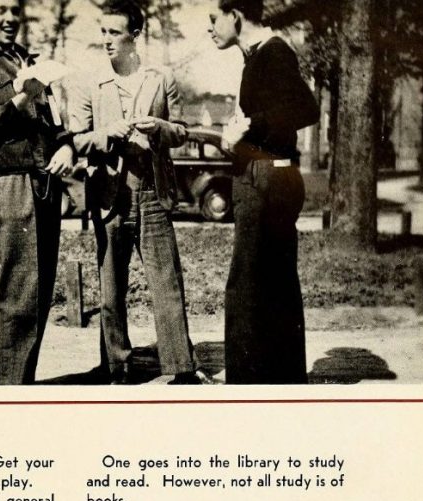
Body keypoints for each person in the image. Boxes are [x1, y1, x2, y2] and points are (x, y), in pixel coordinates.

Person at [68, 0, 211, 385]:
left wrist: (159, 127)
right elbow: (77, 140)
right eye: (103, 32)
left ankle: (181, 366)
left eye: (115, 32)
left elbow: (182, 131)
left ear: (135, 34)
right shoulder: (90, 83)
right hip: (110, 194)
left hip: (152, 191)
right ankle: (117, 366)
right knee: (110, 284)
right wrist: (108, 134)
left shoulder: (161, 80)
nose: (107, 40)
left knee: (167, 280)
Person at [0, 0, 75, 385]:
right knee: (20, 293)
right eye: (0, 10)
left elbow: (54, 119)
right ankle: (8, 394)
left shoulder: (32, 62)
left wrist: (67, 145)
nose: (8, 19)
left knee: (39, 294)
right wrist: (20, 99)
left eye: (14, 11)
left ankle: (18, 384)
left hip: (46, 181)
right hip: (12, 181)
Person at [207, 0, 319, 384]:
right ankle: (281, 383)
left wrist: (248, 127)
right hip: (270, 177)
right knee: (274, 284)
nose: (210, 28)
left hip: (267, 180)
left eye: (213, 19)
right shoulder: (258, 56)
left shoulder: (273, 53)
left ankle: (245, 387)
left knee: (247, 285)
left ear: (235, 15)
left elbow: (307, 107)